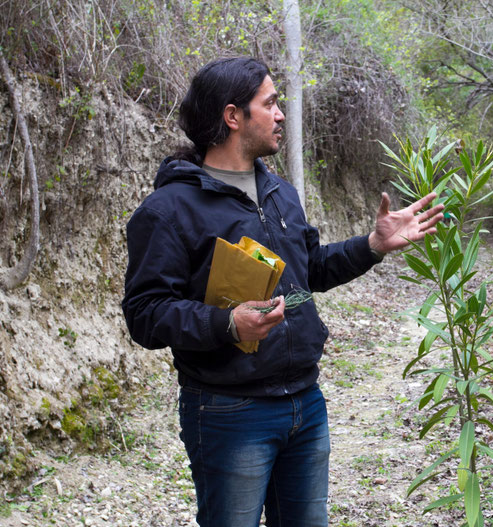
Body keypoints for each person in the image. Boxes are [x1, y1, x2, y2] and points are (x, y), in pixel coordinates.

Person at [121, 56, 444, 527]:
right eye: (270, 103)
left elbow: (310, 269)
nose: (280, 114)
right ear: (233, 117)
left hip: (305, 403)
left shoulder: (278, 193)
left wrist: (373, 245)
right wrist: (229, 324)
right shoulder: (170, 209)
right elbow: (145, 314)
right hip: (229, 412)